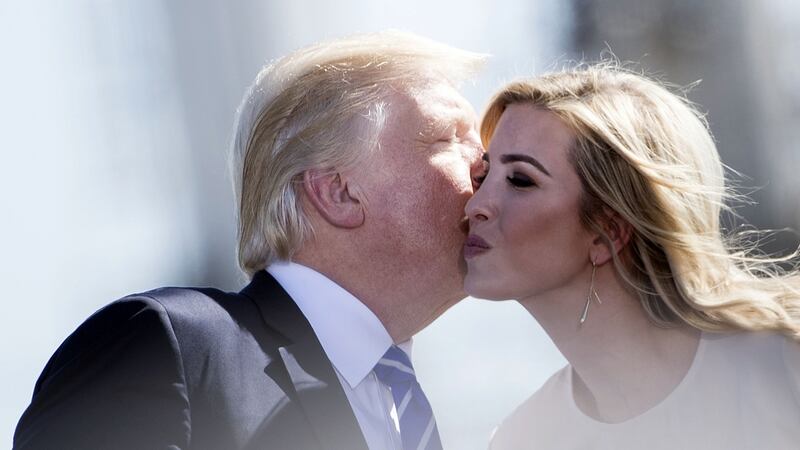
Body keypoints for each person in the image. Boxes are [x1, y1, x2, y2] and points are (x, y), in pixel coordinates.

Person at [14, 31, 486, 450]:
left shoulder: (404, 406)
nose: (487, 163)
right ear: (338, 192)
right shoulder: (168, 348)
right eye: (449, 138)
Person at [464, 64, 800, 449]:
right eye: (482, 177)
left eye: (520, 180)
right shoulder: (524, 438)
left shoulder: (785, 369)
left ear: (609, 231)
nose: (476, 205)